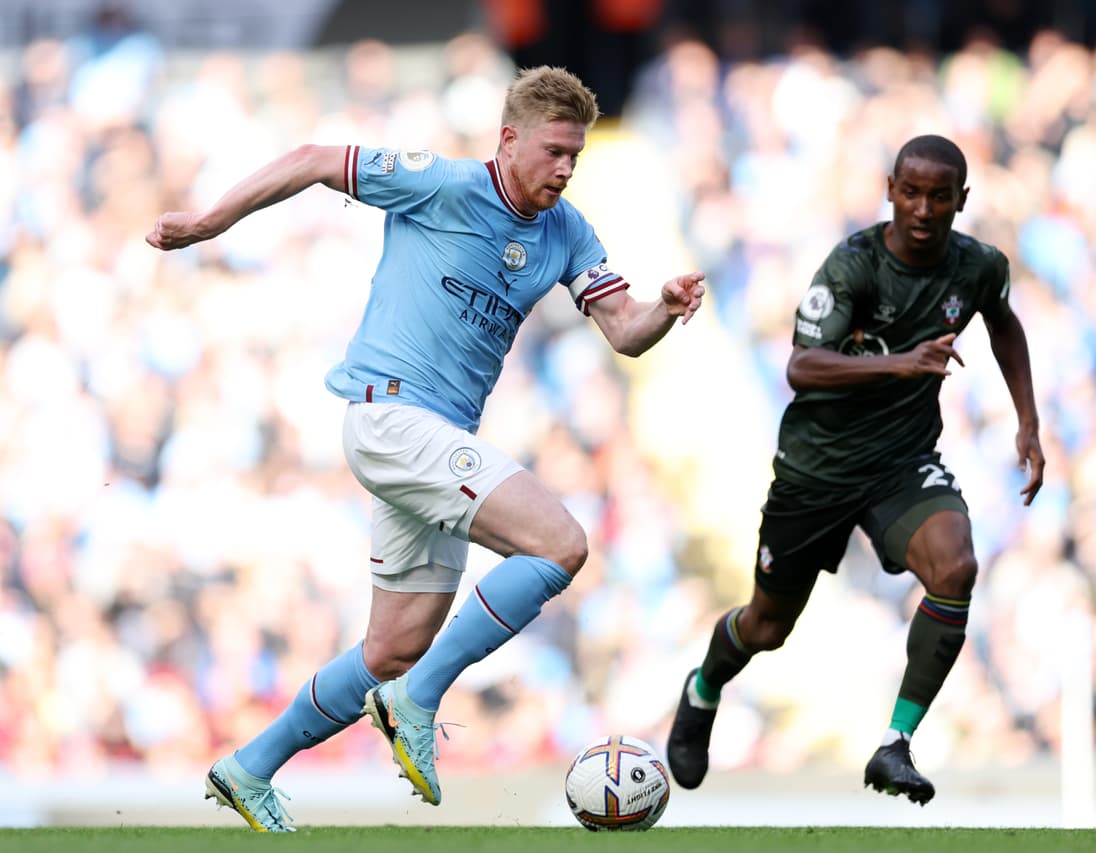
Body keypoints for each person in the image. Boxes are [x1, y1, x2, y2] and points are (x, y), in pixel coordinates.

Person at [147, 65, 706, 832]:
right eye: (553, 151)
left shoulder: (568, 231)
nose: (566, 168)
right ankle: (418, 700)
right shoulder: (442, 185)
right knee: (561, 544)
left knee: (393, 646)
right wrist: (209, 222)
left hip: (435, 441)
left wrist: (665, 308)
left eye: (575, 155)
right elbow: (314, 159)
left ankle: (249, 767)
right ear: (508, 140)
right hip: (392, 418)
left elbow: (625, 331)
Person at [665, 134, 1042, 806]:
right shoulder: (854, 265)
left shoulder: (979, 266)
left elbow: (1004, 325)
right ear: (890, 189)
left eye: (939, 196)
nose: (923, 208)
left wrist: (1028, 422)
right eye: (911, 192)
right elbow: (802, 366)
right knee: (767, 627)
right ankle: (704, 686)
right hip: (818, 469)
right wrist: (902, 363)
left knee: (956, 566)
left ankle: (896, 743)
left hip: (902, 462)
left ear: (961, 200)